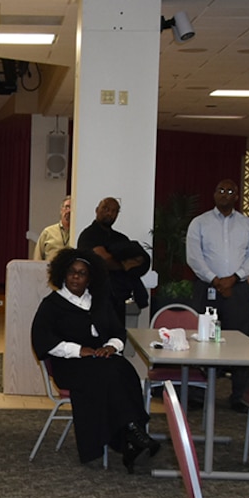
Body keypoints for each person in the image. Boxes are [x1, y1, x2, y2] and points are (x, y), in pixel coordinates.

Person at [31, 249, 157, 472]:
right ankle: (132, 436)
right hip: (69, 365)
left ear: (90, 278)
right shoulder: (52, 304)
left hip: (101, 360)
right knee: (107, 375)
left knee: (123, 369)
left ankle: (131, 439)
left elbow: (119, 332)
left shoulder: (99, 302)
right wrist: (79, 351)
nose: (76, 277)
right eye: (72, 272)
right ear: (63, 274)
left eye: (82, 273)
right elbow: (43, 341)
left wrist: (111, 347)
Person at [185, 177, 249, 404]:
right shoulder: (199, 223)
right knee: (203, 340)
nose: (225, 194)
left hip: (237, 289)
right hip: (206, 287)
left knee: (240, 342)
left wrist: (234, 278)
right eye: (221, 190)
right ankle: (198, 394)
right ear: (214, 194)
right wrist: (215, 279)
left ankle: (240, 395)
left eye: (231, 191)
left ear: (237, 196)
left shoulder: (248, 225)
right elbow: (194, 256)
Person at [78, 196, 150, 328]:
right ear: (97, 210)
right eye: (105, 208)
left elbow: (141, 261)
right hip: (95, 299)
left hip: (118, 300)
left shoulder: (121, 238)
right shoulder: (88, 236)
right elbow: (102, 261)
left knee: (116, 342)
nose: (109, 213)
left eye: (114, 211)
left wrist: (116, 261)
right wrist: (125, 264)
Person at [33, 195, 72, 261]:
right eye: (67, 207)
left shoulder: (79, 233)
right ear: (61, 210)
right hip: (50, 270)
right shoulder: (48, 232)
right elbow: (37, 258)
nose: (69, 211)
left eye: (71, 208)